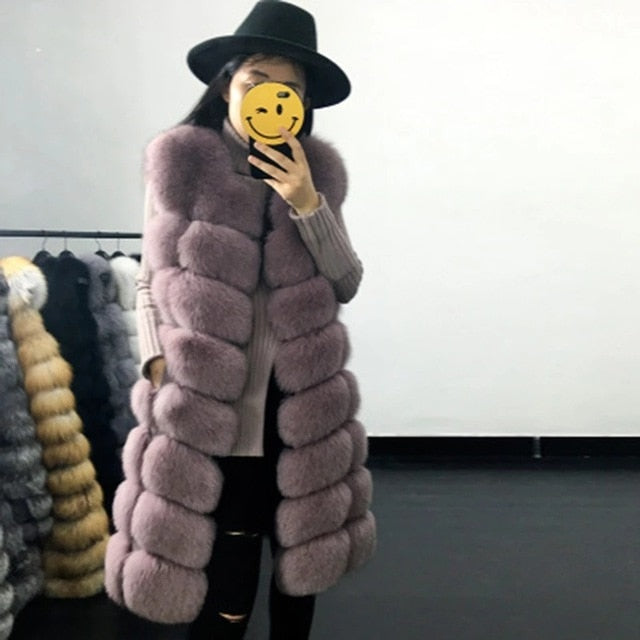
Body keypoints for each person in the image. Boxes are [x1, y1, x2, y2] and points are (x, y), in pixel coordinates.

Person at [104, 2, 376, 639]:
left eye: (290, 89)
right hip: (205, 398)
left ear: (302, 103)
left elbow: (347, 280)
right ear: (227, 83)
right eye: (257, 80)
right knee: (226, 560)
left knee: (300, 561)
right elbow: (148, 278)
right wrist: (156, 362)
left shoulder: (318, 172)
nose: (271, 97)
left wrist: (307, 203)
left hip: (300, 401)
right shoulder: (181, 163)